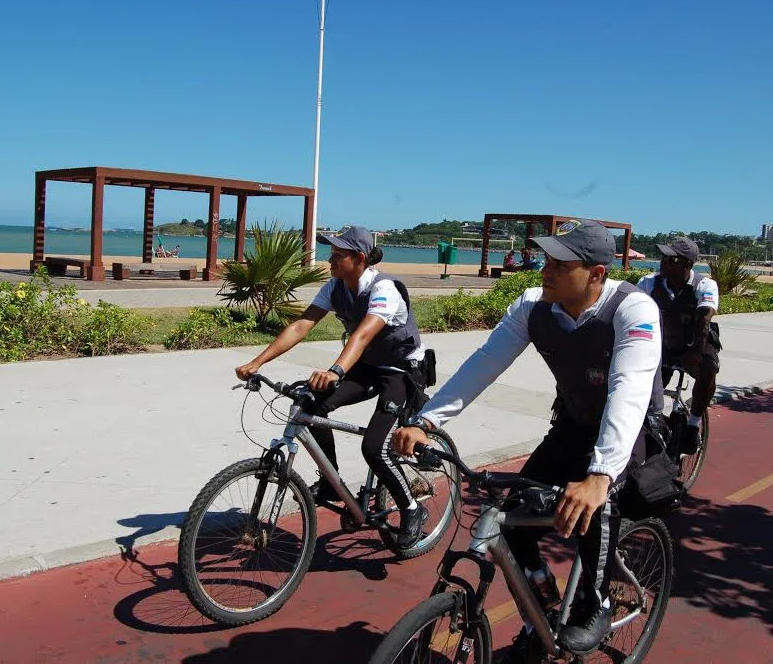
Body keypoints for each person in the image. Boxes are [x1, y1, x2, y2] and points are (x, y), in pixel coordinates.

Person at [393, 219, 663, 658]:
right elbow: (485, 363)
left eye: (560, 264)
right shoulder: (534, 307)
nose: (545, 270)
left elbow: (628, 390)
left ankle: (595, 604)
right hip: (574, 423)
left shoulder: (633, 310)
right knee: (512, 515)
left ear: (596, 274)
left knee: (597, 505)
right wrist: (427, 421)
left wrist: (599, 475)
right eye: (545, 260)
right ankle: (543, 601)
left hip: (628, 431)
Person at [235, 225, 430, 549]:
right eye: (331, 254)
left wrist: (336, 370)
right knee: (311, 405)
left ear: (359, 258)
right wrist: (258, 362)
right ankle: (330, 483)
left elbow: (364, 334)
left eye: (338, 255)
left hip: (401, 371)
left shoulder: (385, 290)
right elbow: (301, 325)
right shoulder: (336, 287)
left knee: (375, 447)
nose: (330, 260)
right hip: (366, 366)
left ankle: (412, 509)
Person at [637, 236, 720, 452]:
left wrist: (695, 353)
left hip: (693, 343)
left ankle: (693, 424)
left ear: (687, 265)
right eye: (663, 257)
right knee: (643, 390)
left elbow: (704, 318)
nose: (663, 262)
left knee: (708, 368)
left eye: (671, 259)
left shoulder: (704, 285)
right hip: (662, 345)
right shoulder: (648, 283)